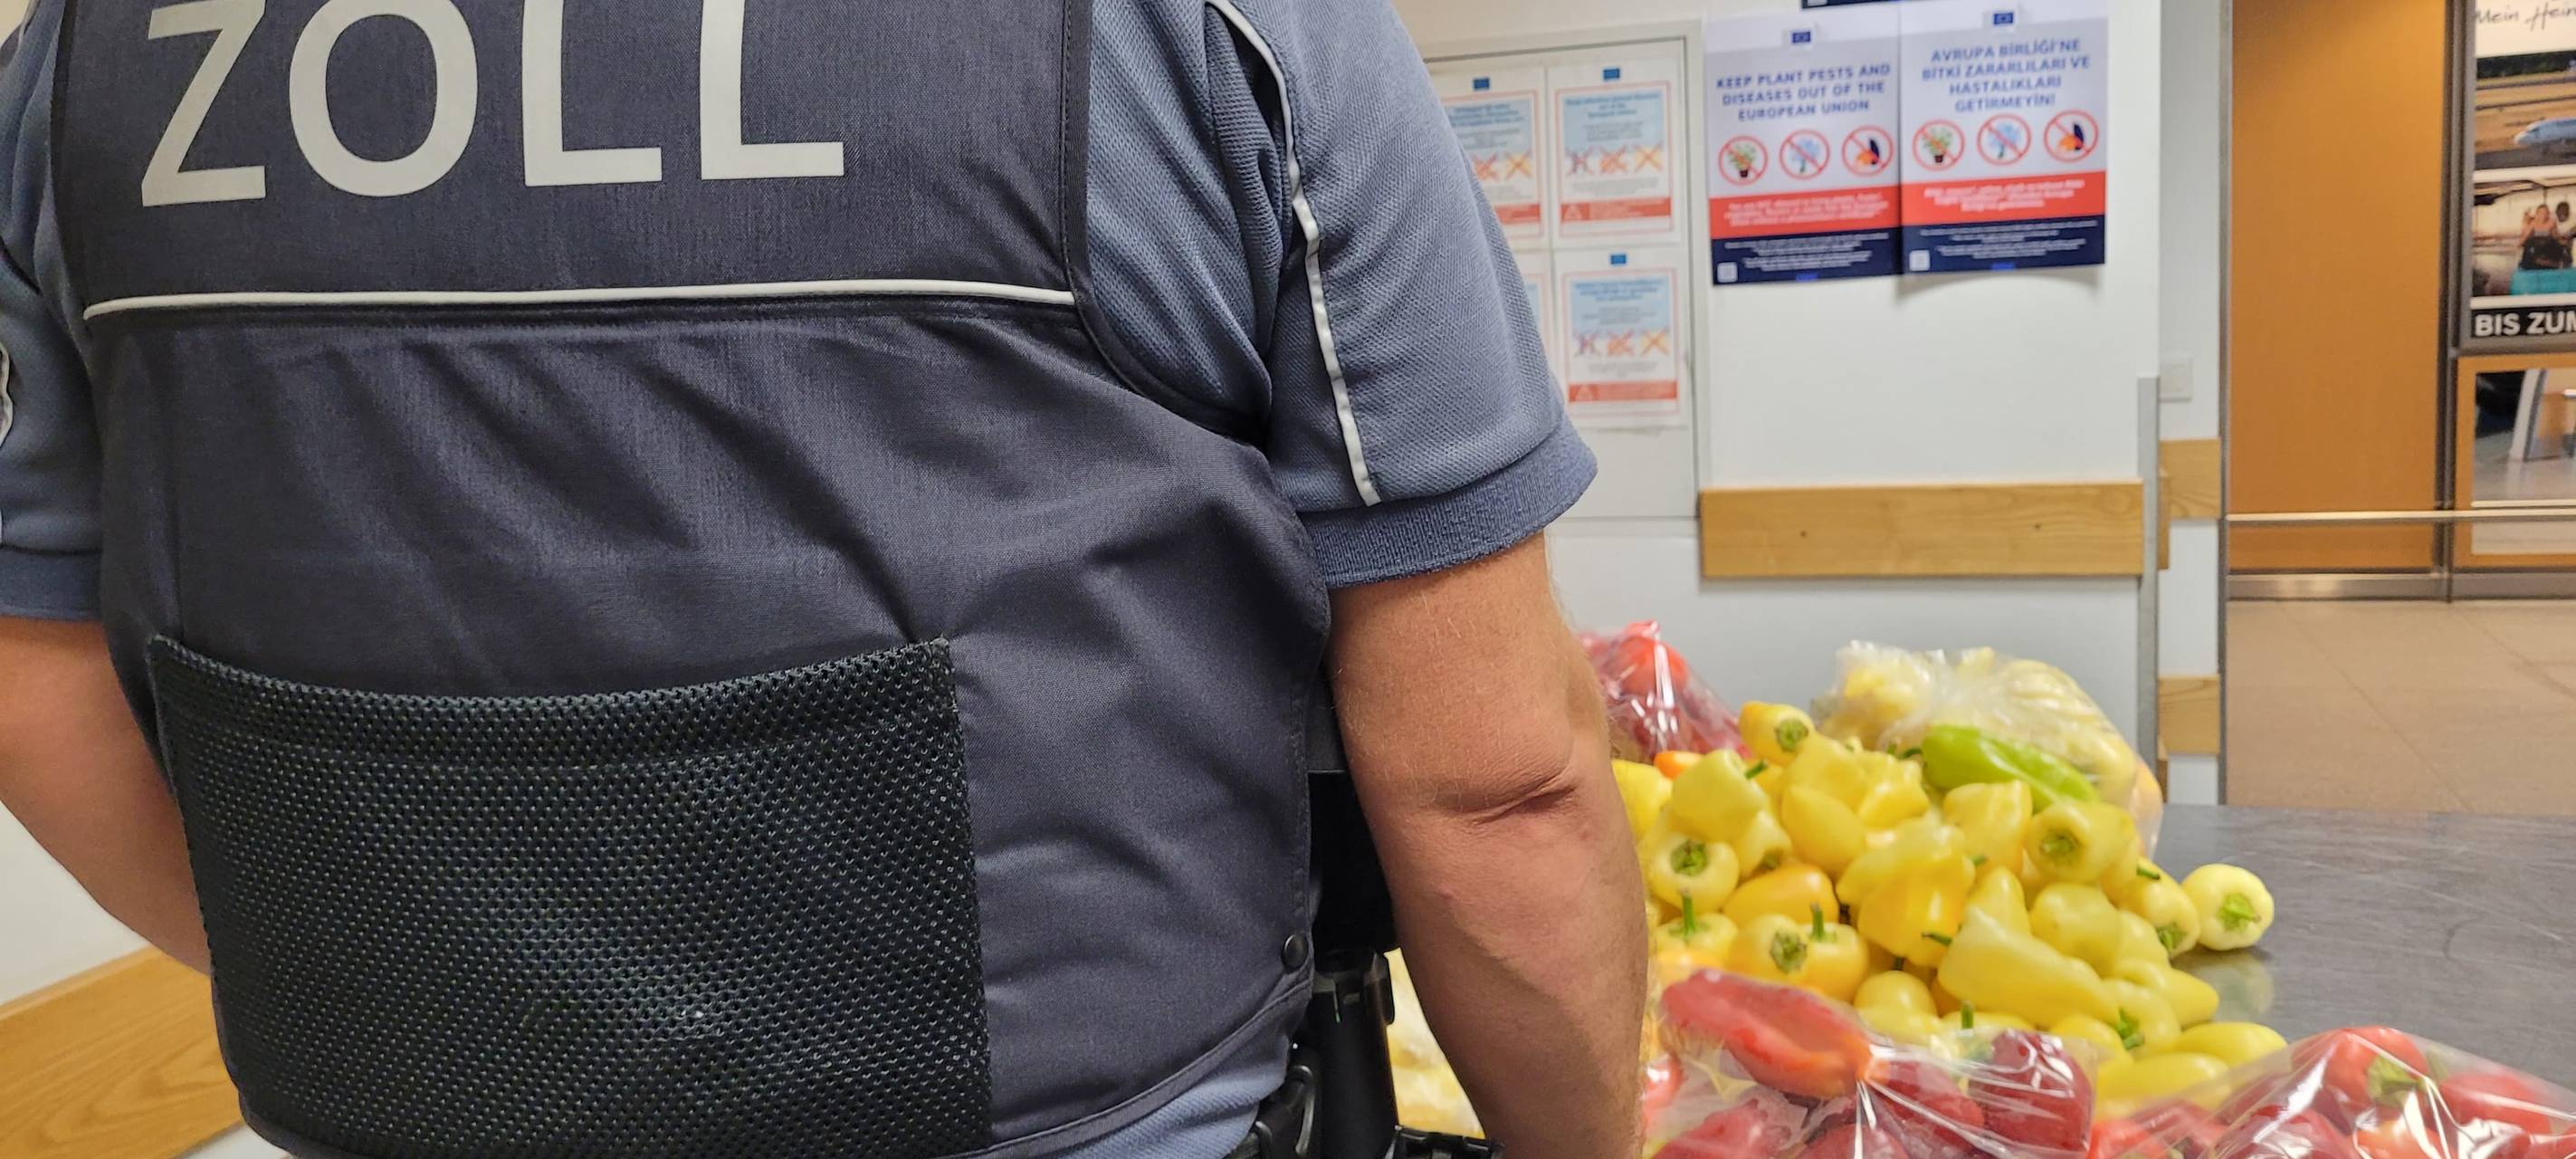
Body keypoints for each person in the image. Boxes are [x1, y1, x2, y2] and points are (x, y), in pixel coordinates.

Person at [0, 1, 1644, 1157]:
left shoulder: (79, 60)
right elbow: (1495, 782)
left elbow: (31, 668)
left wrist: (411, 978)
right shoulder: (1200, 24)